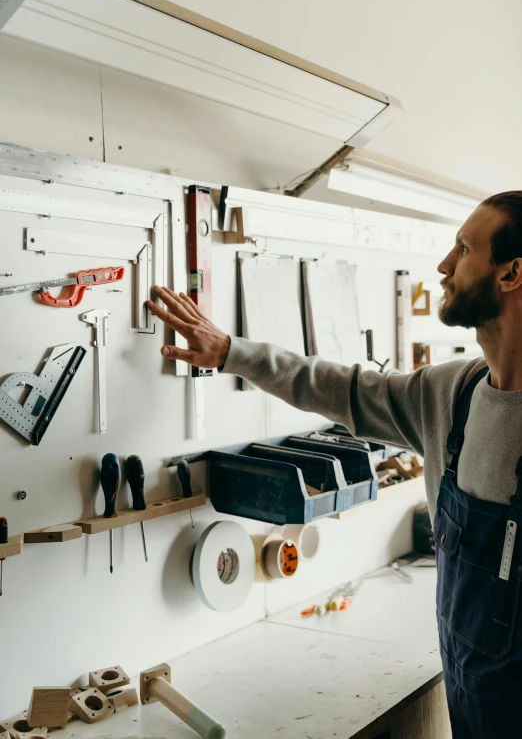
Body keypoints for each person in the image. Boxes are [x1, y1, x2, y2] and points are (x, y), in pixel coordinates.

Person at [148, 191, 522, 739]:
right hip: (471, 692)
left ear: (512, 274)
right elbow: (338, 387)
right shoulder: (452, 394)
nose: (444, 266)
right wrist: (230, 351)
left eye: (464, 249)